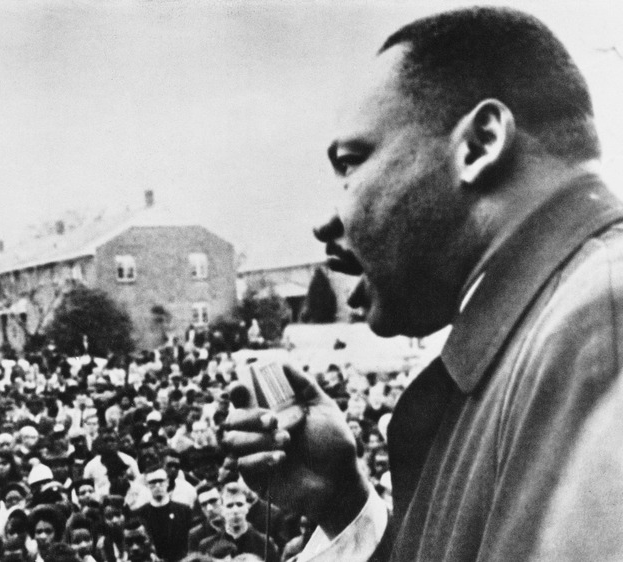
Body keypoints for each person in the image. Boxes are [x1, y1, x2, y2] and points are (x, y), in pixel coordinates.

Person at [223, 6, 623, 561]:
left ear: (479, 144)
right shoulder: (552, 332)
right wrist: (343, 503)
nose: (327, 222)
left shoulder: (602, 328)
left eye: (351, 162)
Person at [195, 483, 277, 562]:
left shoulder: (265, 543)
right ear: (222, 509)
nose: (235, 511)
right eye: (229, 506)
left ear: (247, 507)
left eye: (239, 504)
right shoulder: (207, 545)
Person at [131, 465, 192, 562]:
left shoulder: (184, 510)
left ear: (167, 482)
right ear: (147, 485)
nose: (158, 485)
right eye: (153, 482)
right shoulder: (139, 514)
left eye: (161, 481)